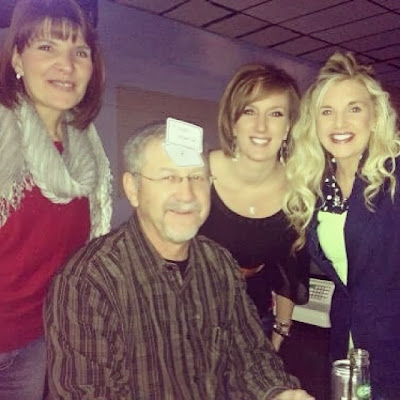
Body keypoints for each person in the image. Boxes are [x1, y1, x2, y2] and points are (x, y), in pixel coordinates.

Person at [45, 120, 314, 400]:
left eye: (197, 177)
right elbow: (85, 393)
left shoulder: (219, 263)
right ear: (133, 188)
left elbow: (250, 355)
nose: (187, 195)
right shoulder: (88, 281)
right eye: (169, 178)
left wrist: (278, 393)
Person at [0, 0, 112, 399]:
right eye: (47, 46)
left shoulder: (88, 153)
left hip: (38, 340)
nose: (66, 65)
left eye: (79, 52)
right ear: (18, 58)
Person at [283, 52, 400, 399]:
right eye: (327, 111)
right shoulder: (319, 186)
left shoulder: (393, 177)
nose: (339, 122)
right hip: (346, 339)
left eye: (354, 108)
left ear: (374, 117)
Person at [199, 64, 309, 351]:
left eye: (275, 114)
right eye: (249, 111)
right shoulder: (198, 173)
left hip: (255, 321)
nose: (261, 126)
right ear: (233, 120)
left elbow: (290, 266)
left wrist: (279, 333)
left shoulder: (297, 191)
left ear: (288, 126)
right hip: (189, 320)